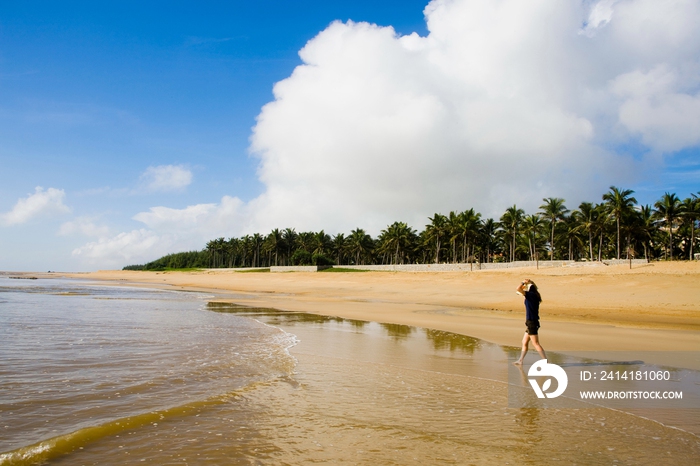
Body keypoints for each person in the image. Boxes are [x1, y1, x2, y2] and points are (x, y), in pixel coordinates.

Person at [513, 278, 546, 365]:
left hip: (532, 322)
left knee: (535, 343)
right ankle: (520, 360)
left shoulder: (530, 295)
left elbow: (518, 289)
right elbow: (520, 291)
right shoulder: (535, 295)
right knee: (524, 342)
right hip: (531, 322)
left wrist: (523, 282)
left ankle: (545, 362)